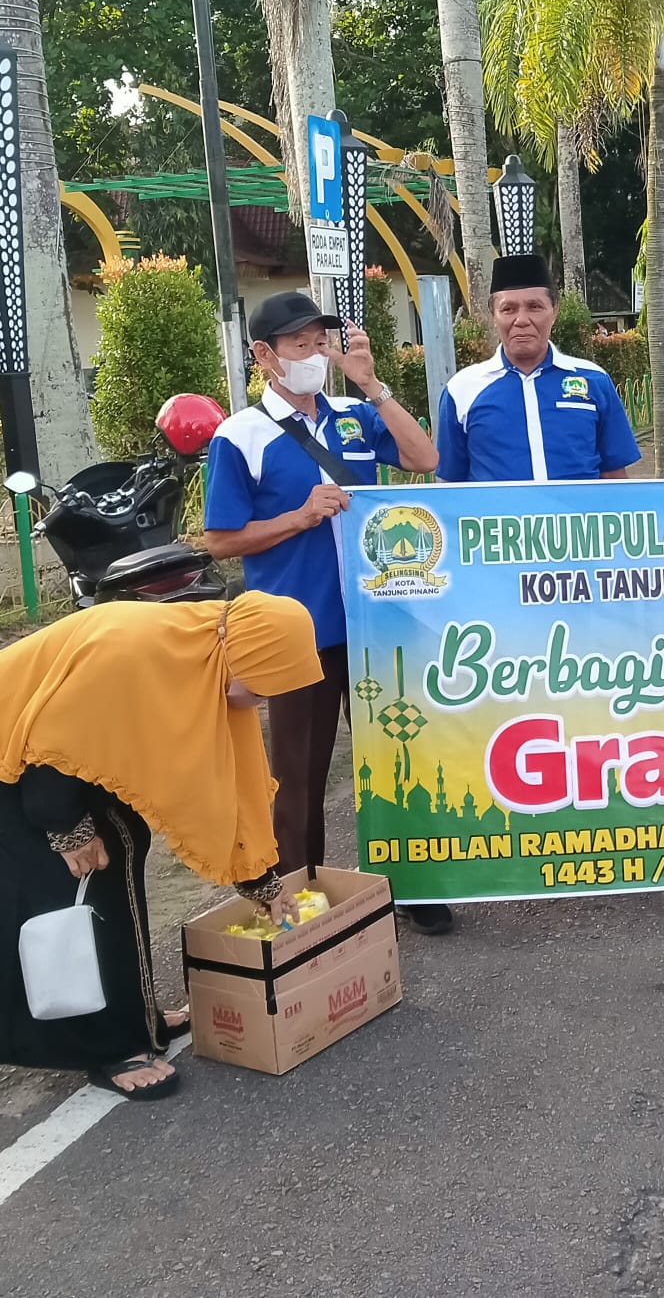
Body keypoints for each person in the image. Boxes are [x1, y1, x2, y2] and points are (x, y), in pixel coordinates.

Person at [0, 594, 322, 1101]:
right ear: (244, 655)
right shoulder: (135, 652)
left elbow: (224, 788)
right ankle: (108, 1046)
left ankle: (134, 1015)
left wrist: (261, 882)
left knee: (122, 847)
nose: (261, 704)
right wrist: (68, 829)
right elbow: (51, 750)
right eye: (260, 688)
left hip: (55, 754)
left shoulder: (203, 652)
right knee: (77, 880)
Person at [203, 291, 451, 935]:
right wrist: (299, 516)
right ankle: (298, 898)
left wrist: (371, 383)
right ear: (265, 356)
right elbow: (222, 539)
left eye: (322, 342)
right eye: (300, 344)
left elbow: (426, 460)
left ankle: (416, 886)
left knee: (402, 760)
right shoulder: (241, 436)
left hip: (381, 623)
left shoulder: (351, 415)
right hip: (295, 632)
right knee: (298, 775)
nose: (316, 354)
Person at [436, 253, 641, 482]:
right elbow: (452, 486)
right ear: (493, 316)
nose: (522, 320)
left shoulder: (594, 381)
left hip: (577, 517)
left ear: (554, 312)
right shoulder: (462, 390)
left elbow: (615, 476)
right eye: (508, 309)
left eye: (534, 307)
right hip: (501, 518)